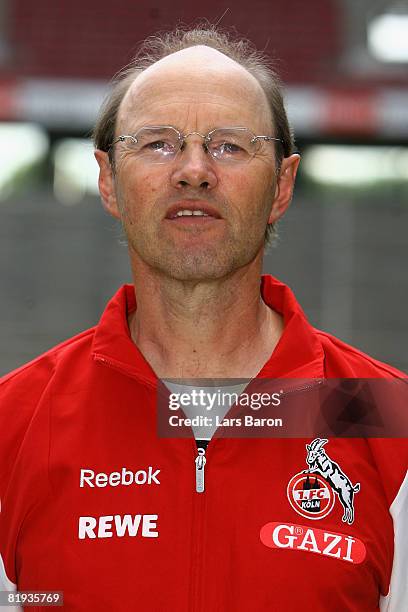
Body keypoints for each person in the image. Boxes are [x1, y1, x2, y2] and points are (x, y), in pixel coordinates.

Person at [0, 26, 407, 612]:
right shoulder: (13, 426)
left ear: (282, 186)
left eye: (231, 145)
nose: (194, 171)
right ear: (109, 180)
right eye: (158, 144)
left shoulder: (387, 420)